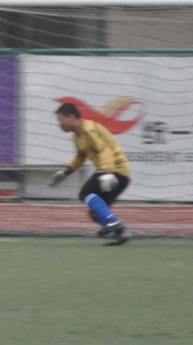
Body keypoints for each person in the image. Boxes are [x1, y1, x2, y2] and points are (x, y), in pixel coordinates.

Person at [50, 102, 132, 245]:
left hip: (115, 171)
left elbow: (104, 150)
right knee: (95, 213)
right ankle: (121, 233)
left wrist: (106, 172)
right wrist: (66, 172)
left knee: (85, 193)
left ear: (71, 117)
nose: (59, 124)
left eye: (60, 119)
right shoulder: (77, 137)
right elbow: (80, 156)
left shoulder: (89, 130)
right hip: (118, 173)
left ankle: (114, 222)